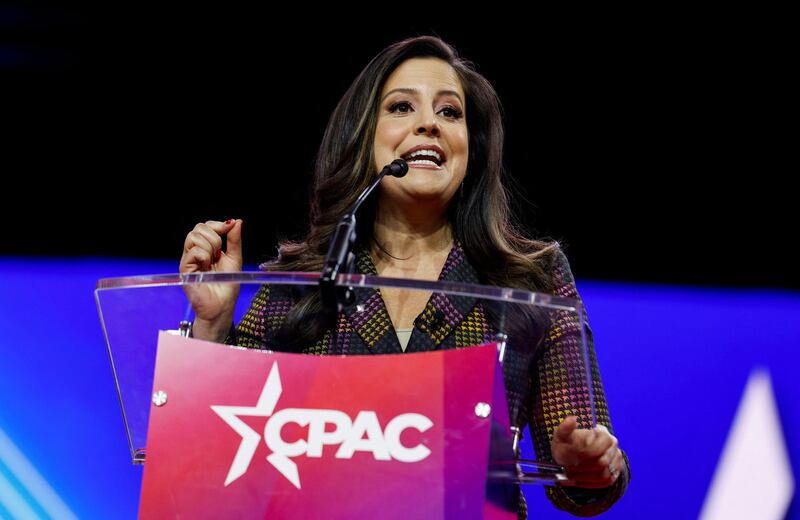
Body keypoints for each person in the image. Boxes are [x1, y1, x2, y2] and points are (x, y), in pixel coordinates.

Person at [179, 35, 630, 518]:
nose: (428, 124)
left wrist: (589, 463)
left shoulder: (531, 280)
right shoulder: (299, 282)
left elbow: (588, 474)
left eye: (450, 112)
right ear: (365, 137)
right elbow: (214, 461)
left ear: (470, 148)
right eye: (401, 107)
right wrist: (212, 323)